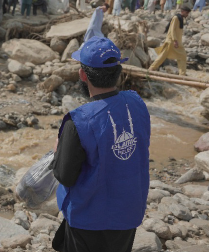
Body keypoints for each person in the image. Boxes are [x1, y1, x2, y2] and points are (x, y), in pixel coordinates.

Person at [51, 36, 150, 252]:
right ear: (119, 71)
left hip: (90, 219)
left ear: (82, 75)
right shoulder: (137, 103)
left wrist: (58, 149)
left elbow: (64, 175)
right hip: (129, 212)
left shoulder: (79, 121)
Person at [149, 6, 191, 75]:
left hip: (177, 41)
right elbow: (172, 29)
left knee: (182, 56)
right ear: (183, 12)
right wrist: (175, 40)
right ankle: (152, 68)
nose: (187, 15)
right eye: (187, 13)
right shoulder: (176, 18)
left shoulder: (181, 19)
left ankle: (182, 74)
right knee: (163, 55)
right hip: (172, 41)